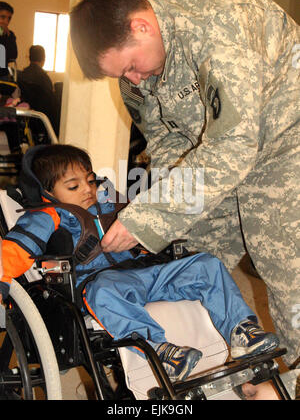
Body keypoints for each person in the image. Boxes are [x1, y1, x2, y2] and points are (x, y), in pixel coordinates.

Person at [69, 0, 300, 395]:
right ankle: (226, 374)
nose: (132, 79)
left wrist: (147, 216)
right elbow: (167, 144)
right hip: (216, 155)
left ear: (141, 26)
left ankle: (292, 382)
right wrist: (161, 217)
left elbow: (235, 142)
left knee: (288, 269)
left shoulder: (219, 23)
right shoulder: (134, 74)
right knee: (195, 259)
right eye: (121, 74)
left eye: (131, 67)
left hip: (286, 143)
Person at [0, 144, 279, 382]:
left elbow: (153, 223)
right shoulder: (48, 216)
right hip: (103, 283)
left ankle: (241, 331)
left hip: (148, 271)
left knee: (206, 264)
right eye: (74, 186)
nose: (87, 189)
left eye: (90, 180)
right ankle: (159, 349)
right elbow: (15, 250)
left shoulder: (112, 203)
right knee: (103, 290)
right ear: (47, 194)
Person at [18, 45, 60, 136]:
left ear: (29, 57)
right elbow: (51, 101)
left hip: (26, 115)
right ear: (43, 58)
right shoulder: (44, 78)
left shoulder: (22, 75)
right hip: (43, 118)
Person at [0, 2, 17, 79]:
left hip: (3, 76)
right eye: (3, 17)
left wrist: (8, 37)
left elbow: (13, 55)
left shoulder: (10, 35)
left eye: (9, 18)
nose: (6, 22)